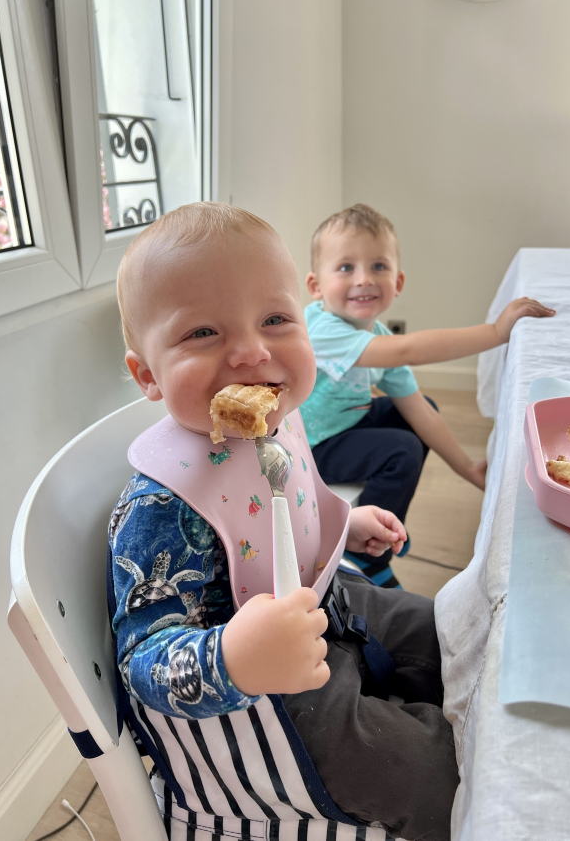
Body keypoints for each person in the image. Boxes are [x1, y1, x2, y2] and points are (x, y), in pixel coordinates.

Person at [109, 202, 459, 841]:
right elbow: (144, 664)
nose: (250, 351)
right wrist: (234, 659)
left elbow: (290, 495)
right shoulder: (160, 505)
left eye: (274, 320)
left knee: (453, 630)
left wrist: (344, 525)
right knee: (430, 771)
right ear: (146, 375)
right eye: (202, 333)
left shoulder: (280, 417)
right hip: (263, 695)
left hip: (328, 597)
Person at [301, 204, 555, 587]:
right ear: (316, 286)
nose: (364, 279)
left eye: (378, 267)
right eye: (345, 267)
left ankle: (377, 527)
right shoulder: (321, 328)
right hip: (307, 447)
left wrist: (469, 469)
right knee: (400, 448)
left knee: (422, 414)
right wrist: (494, 333)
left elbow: (421, 411)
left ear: (398, 282)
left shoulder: (378, 337)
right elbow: (409, 351)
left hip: (343, 426)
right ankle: (361, 555)